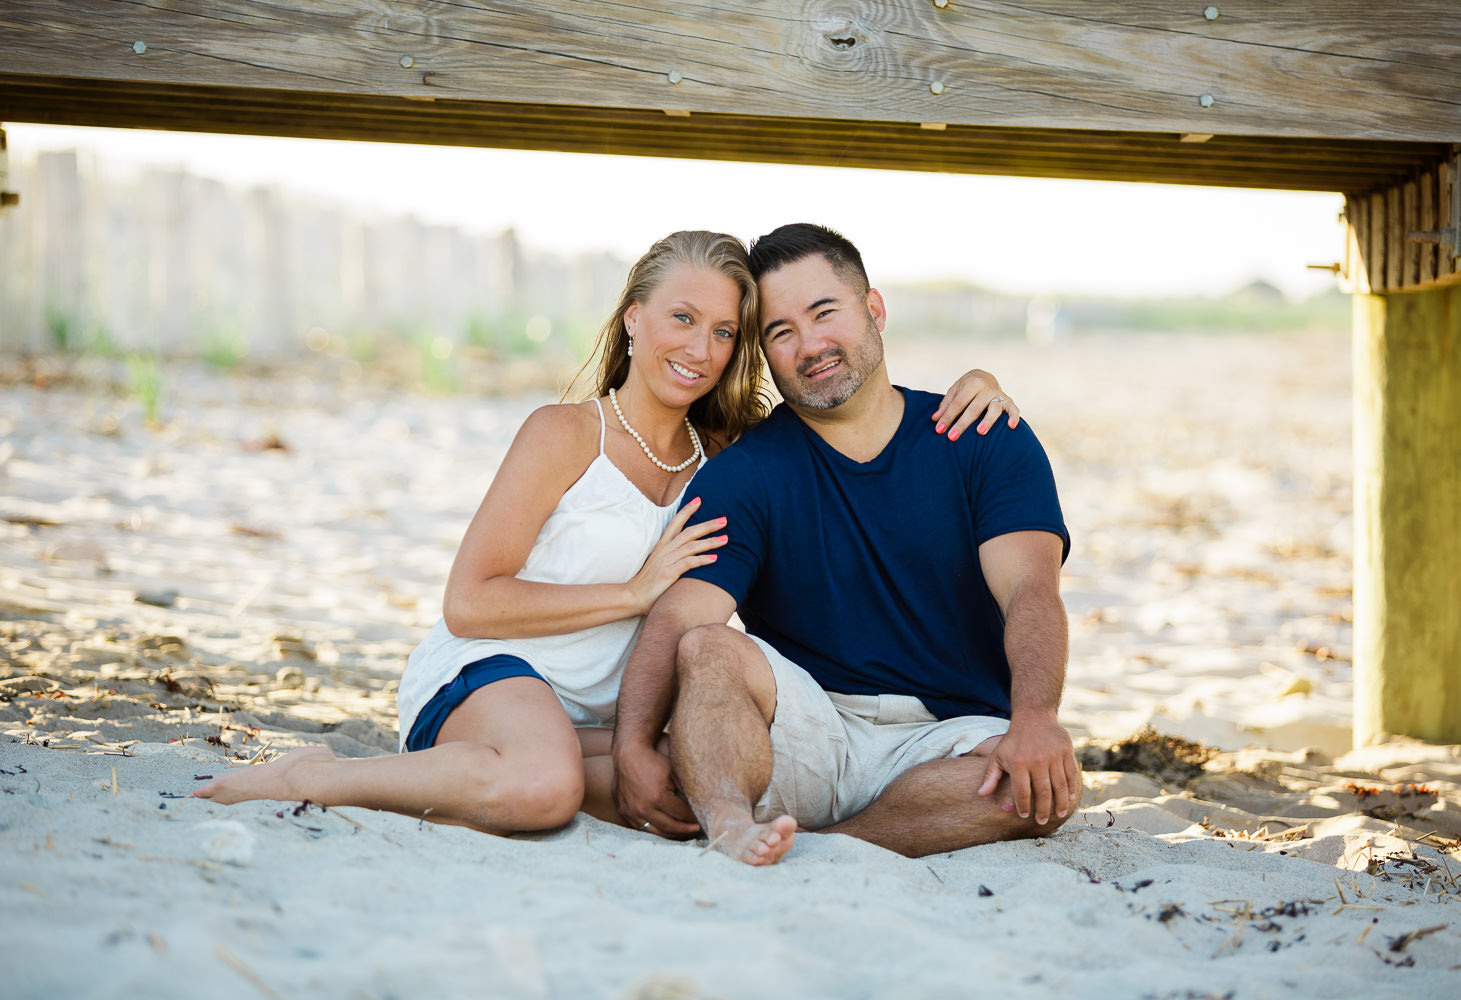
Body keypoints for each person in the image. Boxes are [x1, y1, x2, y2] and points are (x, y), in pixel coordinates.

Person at [195, 230, 1020, 837]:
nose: (699, 348)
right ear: (633, 319)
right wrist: (632, 592)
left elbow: (849, 415)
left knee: (681, 796)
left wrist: (975, 385)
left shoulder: (732, 456)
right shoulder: (565, 433)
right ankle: (324, 777)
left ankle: (510, 773)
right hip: (500, 673)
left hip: (607, 712)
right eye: (681, 318)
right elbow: (469, 603)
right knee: (544, 789)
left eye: (725, 332)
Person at [609, 223, 1078, 864]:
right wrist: (632, 746)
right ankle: (728, 825)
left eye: (824, 313)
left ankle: (829, 845)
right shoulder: (750, 471)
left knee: (1034, 791)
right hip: (810, 728)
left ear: (874, 310)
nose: (810, 345)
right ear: (764, 354)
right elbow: (680, 618)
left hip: (949, 738)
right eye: (781, 332)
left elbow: (1030, 590)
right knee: (709, 648)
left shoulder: (984, 436)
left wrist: (1036, 719)